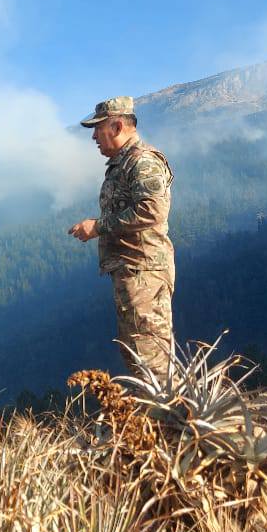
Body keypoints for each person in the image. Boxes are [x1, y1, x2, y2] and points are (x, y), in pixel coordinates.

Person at [68, 96, 176, 378]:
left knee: (151, 358)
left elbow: (153, 210)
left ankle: (171, 418)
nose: (93, 135)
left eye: (98, 127)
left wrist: (99, 226)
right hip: (133, 273)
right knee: (138, 355)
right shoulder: (124, 163)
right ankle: (158, 417)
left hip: (144, 272)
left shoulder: (142, 161)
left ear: (117, 127)